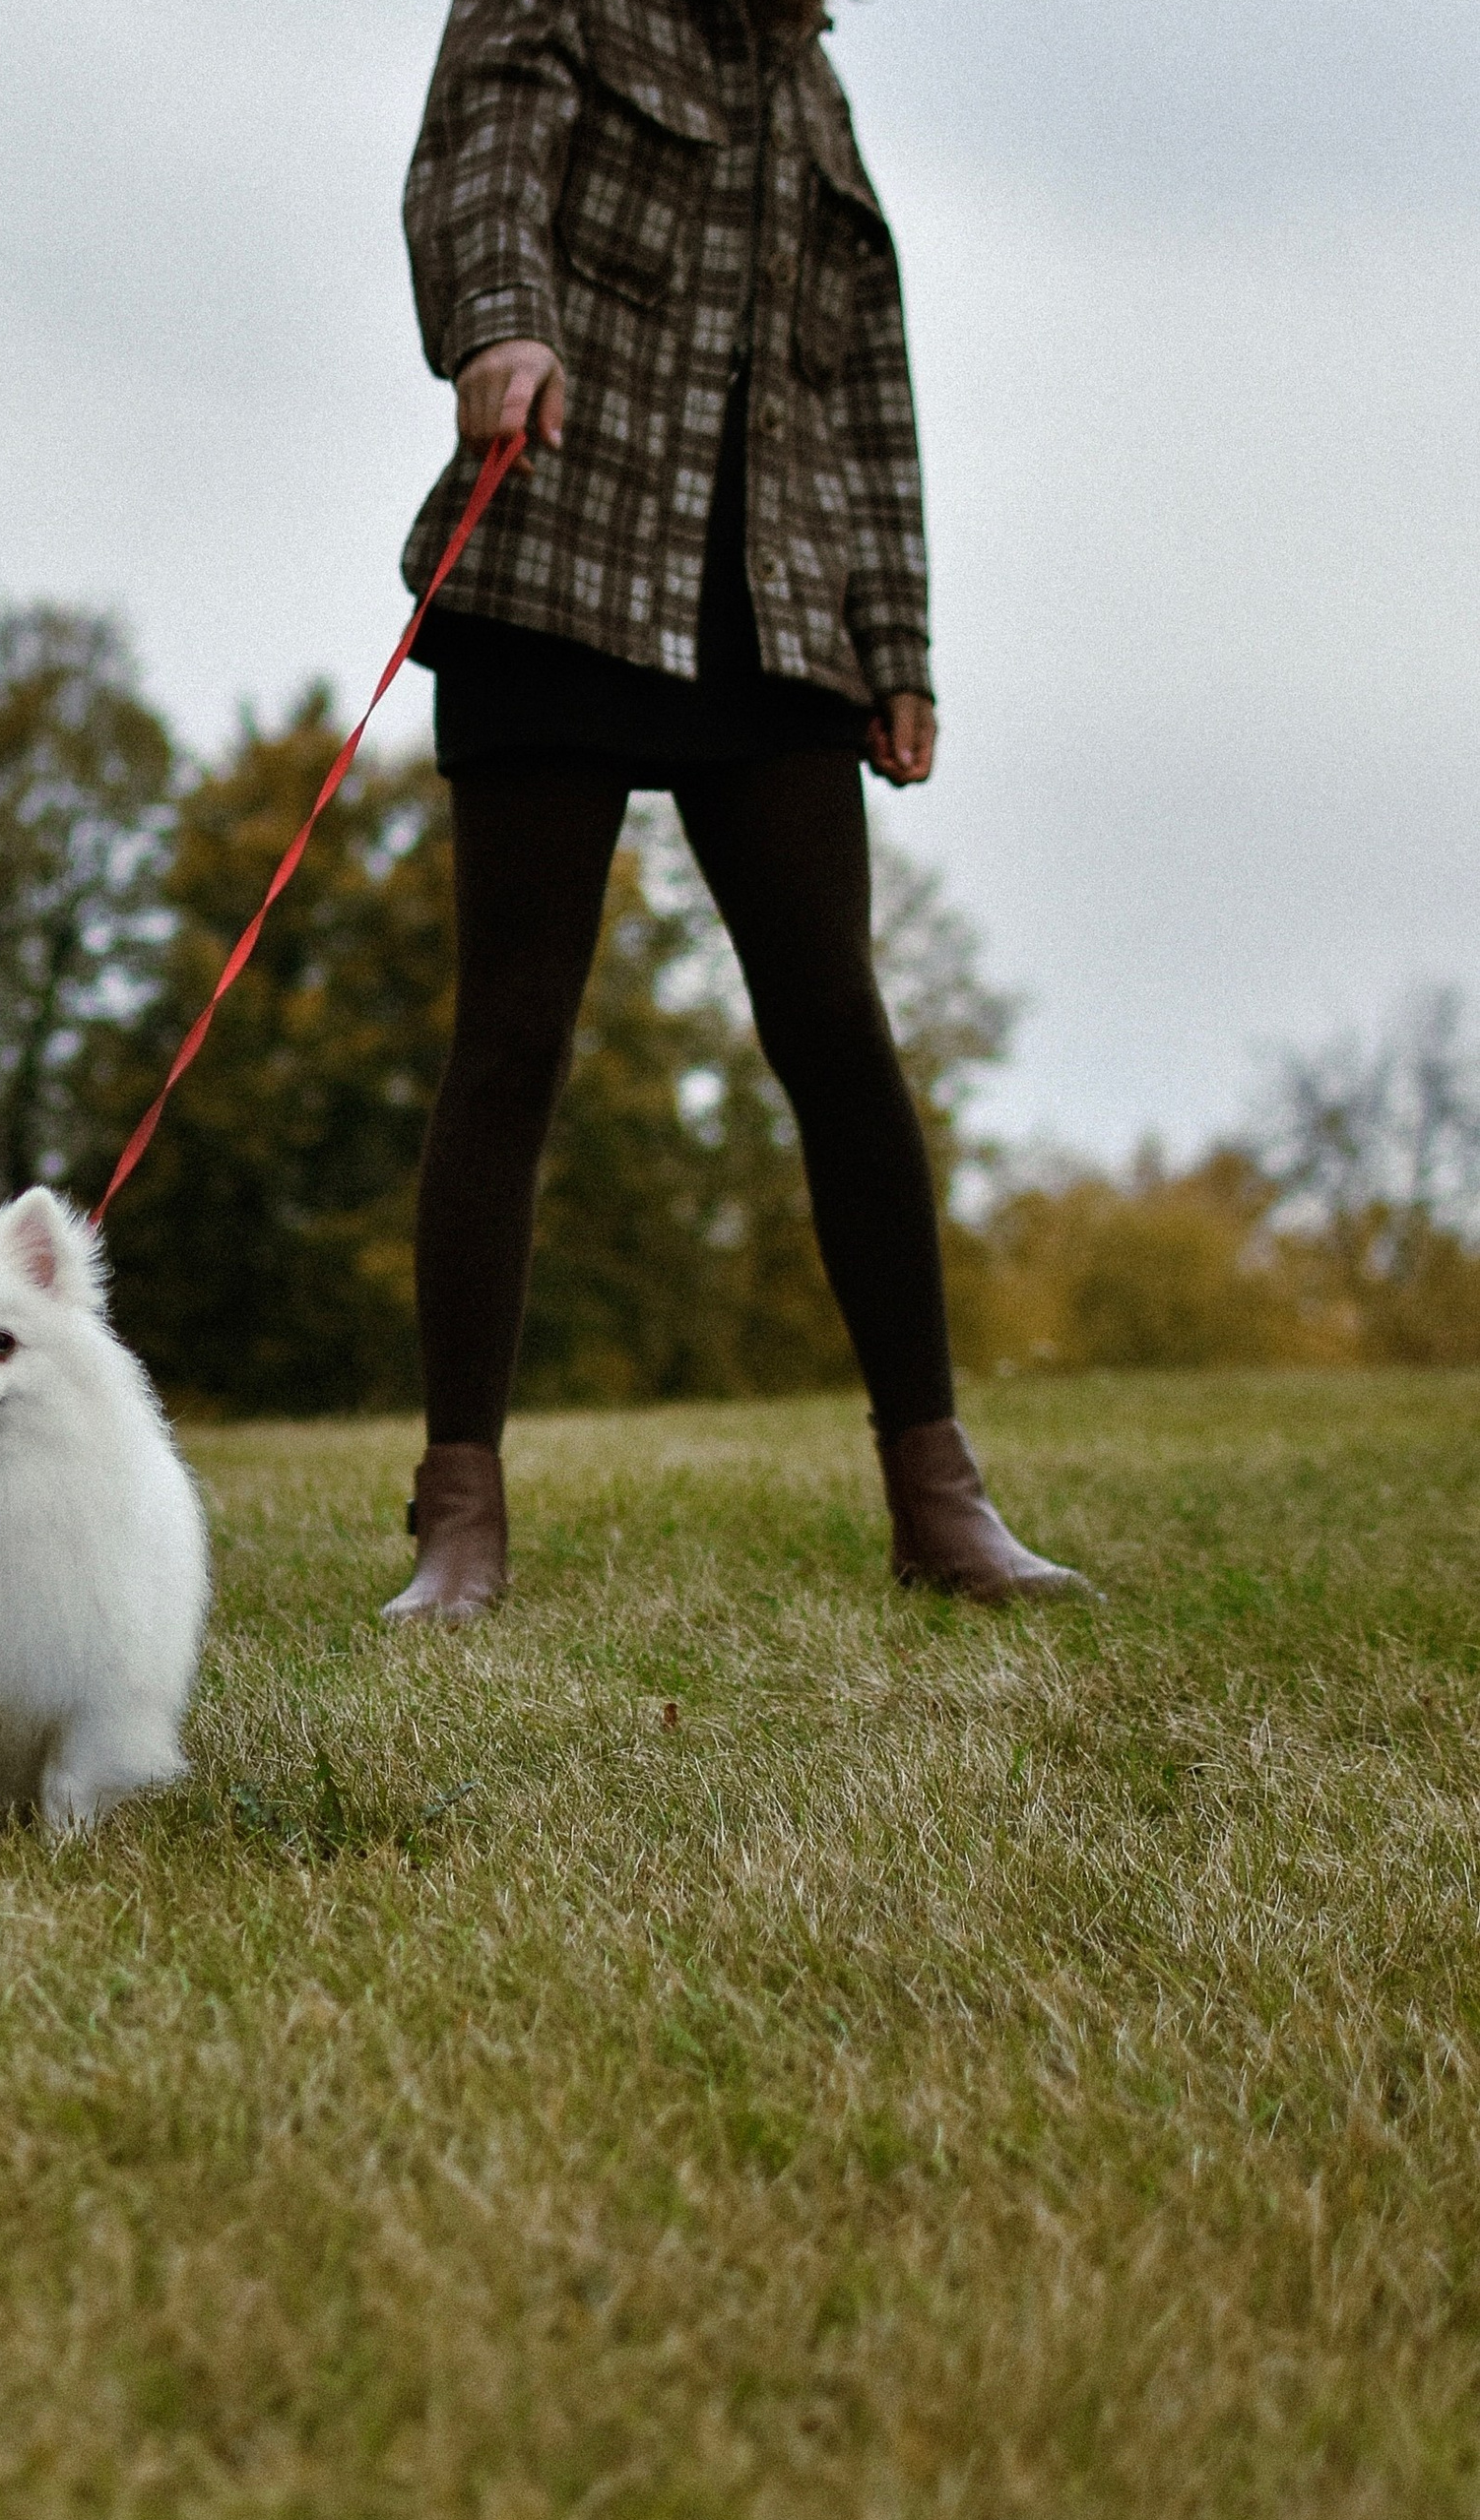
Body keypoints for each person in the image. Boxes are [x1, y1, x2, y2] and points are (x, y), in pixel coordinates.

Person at [384, 0, 1090, 1619]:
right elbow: (475, 169)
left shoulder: (812, 87)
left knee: (839, 1033)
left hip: (774, 623)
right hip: (558, 565)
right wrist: (499, 325)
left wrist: (895, 643)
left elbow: (869, 404)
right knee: (511, 1039)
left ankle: (940, 1498)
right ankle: (460, 1521)